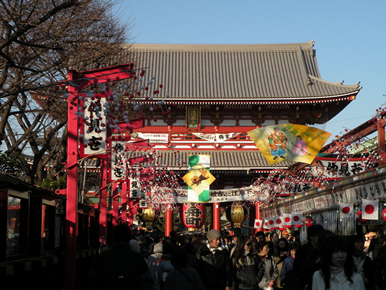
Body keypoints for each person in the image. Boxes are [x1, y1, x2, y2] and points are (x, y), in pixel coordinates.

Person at [88, 223, 153, 290]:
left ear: (114, 238)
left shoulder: (102, 258)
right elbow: (146, 282)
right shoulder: (138, 259)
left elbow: (92, 280)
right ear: (129, 239)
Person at [293, 224, 324, 289]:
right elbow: (297, 269)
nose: (321, 238)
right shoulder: (302, 251)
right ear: (311, 237)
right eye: (318, 236)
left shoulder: (324, 249)